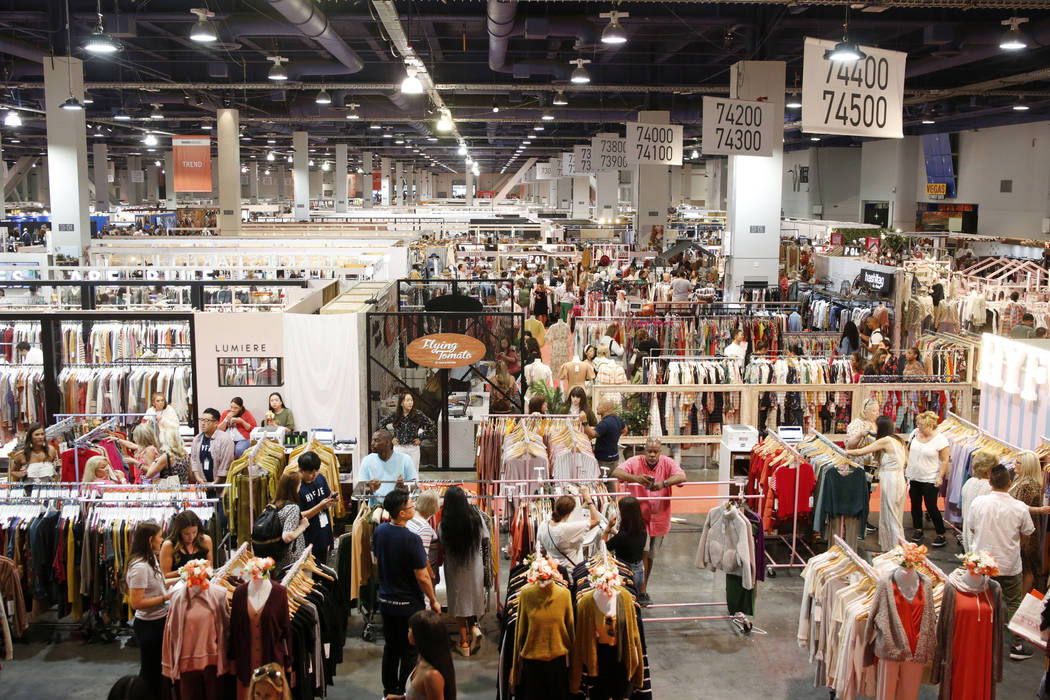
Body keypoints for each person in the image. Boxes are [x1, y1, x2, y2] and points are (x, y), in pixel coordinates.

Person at [374, 489, 441, 699]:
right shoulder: (412, 539)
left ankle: (389, 691)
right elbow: (422, 576)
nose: (413, 507)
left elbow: (376, 560)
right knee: (410, 650)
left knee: (391, 648)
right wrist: (433, 599)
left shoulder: (380, 531)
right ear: (401, 513)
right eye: (410, 506)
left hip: (385, 601)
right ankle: (404, 692)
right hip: (409, 605)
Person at [969, 464, 1038, 661]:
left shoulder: (979, 503)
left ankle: (977, 637)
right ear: (1010, 483)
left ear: (990, 482)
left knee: (980, 600)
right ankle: (1016, 644)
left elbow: (973, 528)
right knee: (1014, 602)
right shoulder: (1019, 508)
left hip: (982, 562)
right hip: (1009, 563)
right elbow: (1028, 533)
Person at [611, 438, 686, 603]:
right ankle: (639, 590)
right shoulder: (634, 461)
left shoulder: (667, 463)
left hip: (660, 519)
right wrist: (636, 479)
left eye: (655, 451)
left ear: (660, 452)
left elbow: (681, 477)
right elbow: (616, 473)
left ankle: (642, 588)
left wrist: (663, 483)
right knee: (641, 553)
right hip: (639, 521)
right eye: (649, 451)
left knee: (651, 555)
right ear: (644, 451)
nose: (652, 455)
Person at [437, 485, 489, 657]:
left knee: (459, 602)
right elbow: (485, 538)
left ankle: (464, 641)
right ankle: (474, 627)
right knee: (473, 597)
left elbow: (442, 543)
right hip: (474, 565)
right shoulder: (476, 519)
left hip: (454, 567)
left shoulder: (444, 523)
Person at [845, 415, 908, 551]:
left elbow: (861, 451)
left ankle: (897, 550)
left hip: (891, 480)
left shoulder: (885, 441)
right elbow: (906, 461)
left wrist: (844, 451)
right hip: (899, 478)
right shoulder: (899, 440)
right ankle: (892, 548)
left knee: (890, 515)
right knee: (895, 514)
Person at [124, 521, 173, 695]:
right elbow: (136, 602)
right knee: (150, 670)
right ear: (151, 539)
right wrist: (165, 597)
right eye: (160, 537)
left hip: (158, 621)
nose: (162, 540)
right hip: (149, 626)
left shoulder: (151, 559)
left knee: (158, 669)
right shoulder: (140, 567)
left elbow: (158, 583)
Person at [385, 609, 457, 700]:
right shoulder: (422, 658)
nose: (408, 630)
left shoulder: (432, 676)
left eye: (411, 628)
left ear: (421, 636)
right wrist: (401, 698)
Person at [905, 411, 950, 547]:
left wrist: (940, 476)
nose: (918, 427)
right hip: (914, 476)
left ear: (930, 426)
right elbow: (907, 448)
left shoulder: (941, 440)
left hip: (930, 478)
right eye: (918, 424)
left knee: (931, 506)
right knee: (915, 505)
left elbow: (945, 460)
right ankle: (918, 529)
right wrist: (907, 462)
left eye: (921, 425)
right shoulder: (914, 434)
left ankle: (941, 533)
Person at [1009, 450, 1046, 600]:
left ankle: (1022, 600)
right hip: (1022, 530)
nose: (1014, 465)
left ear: (1027, 466)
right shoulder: (1021, 480)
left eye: (1018, 462)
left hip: (1026, 534)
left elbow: (1021, 508)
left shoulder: (1028, 485)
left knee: (1027, 567)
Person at [538, 489, 601, 571]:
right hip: (570, 573)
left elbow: (541, 550)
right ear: (570, 512)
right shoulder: (568, 529)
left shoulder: (543, 525)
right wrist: (588, 499)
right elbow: (596, 520)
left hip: (553, 572)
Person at [356, 429, 418, 503]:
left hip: (399, 507)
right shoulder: (367, 460)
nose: (372, 443)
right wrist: (369, 487)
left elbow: (414, 487)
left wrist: (404, 488)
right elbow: (361, 489)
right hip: (376, 508)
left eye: (376, 440)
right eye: (372, 440)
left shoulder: (405, 459)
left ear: (388, 442)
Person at [297, 450, 337, 563]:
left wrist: (333, 499)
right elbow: (298, 516)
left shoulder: (320, 478)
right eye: (310, 473)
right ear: (301, 470)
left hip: (324, 534)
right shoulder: (296, 487)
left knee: (323, 570)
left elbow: (327, 497)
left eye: (316, 471)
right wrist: (319, 507)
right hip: (307, 539)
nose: (314, 475)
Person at [602, 495, 648, 591]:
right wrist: (616, 533)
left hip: (626, 574)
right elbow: (629, 541)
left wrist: (608, 528)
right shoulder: (642, 530)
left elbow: (603, 548)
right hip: (639, 572)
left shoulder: (622, 537)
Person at [383, 390, 436, 470]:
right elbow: (381, 424)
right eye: (407, 400)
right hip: (399, 448)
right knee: (399, 473)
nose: (410, 402)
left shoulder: (418, 414)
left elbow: (431, 425)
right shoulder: (395, 415)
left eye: (411, 400)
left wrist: (420, 438)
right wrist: (391, 438)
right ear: (401, 403)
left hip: (413, 448)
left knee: (413, 474)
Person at [159, 509, 213, 582]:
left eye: (194, 532)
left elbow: (210, 568)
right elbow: (164, 575)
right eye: (186, 534)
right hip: (177, 588)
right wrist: (184, 570)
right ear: (179, 532)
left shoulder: (206, 540)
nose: (191, 537)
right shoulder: (169, 545)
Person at [272, 471, 309, 571]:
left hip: (277, 557)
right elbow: (287, 536)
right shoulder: (293, 508)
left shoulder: (273, 504)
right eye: (299, 484)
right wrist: (303, 526)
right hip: (290, 560)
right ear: (294, 487)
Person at [959, 450, 995, 552]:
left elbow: (964, 509)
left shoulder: (969, 482)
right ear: (990, 469)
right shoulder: (990, 487)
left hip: (968, 527)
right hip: (982, 533)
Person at [190, 408, 235, 484]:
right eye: (202, 420)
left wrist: (214, 483)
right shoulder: (197, 439)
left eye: (207, 420)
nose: (203, 423)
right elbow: (194, 461)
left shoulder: (225, 440)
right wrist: (198, 478)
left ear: (216, 423)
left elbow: (225, 464)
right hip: (202, 484)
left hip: (220, 486)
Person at [407, 489, 442, 580]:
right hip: (417, 576)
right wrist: (432, 576)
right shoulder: (424, 528)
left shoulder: (410, 518)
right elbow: (422, 559)